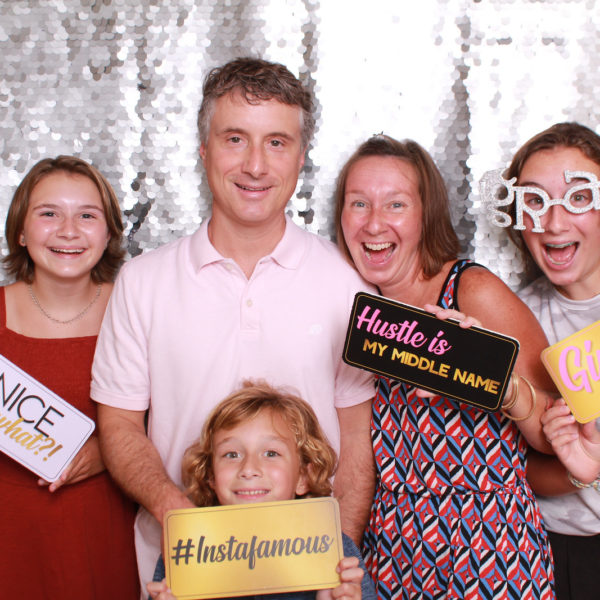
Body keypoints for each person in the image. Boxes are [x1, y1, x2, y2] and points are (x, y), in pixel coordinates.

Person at [91, 57, 375, 592]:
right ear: (204, 150)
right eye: (235, 139)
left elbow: (357, 435)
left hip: (312, 575)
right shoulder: (142, 281)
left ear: (300, 158)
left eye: (276, 142)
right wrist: (177, 516)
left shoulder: (347, 284)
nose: (255, 165)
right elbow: (120, 424)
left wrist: (339, 553)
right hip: (182, 572)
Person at [334, 134, 556, 599]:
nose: (374, 223)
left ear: (426, 216)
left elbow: (551, 432)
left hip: (488, 554)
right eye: (359, 204)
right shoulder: (362, 313)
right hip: (392, 556)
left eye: (395, 204)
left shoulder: (471, 291)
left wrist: (489, 373)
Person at [0, 155, 139, 598]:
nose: (68, 231)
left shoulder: (138, 310)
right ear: (21, 231)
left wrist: (110, 449)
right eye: (49, 214)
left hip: (104, 530)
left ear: (109, 233)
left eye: (87, 216)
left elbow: (185, 417)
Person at [146, 380, 377, 600]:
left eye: (271, 453)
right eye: (231, 454)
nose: (249, 469)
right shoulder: (185, 550)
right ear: (211, 477)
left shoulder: (334, 550)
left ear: (303, 477)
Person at [499, 122, 600, 600]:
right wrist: (580, 470)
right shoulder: (513, 320)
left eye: (578, 198)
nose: (554, 223)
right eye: (535, 201)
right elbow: (519, 469)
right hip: (561, 553)